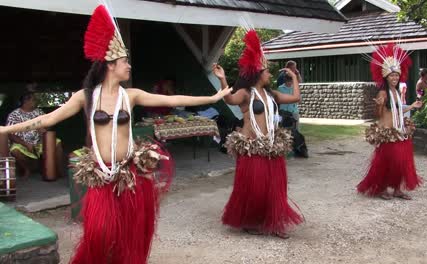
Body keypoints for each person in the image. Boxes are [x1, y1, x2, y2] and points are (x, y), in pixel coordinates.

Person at [0, 5, 231, 263]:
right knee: (99, 231)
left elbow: (174, 97)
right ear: (110, 65)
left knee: (129, 231)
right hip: (101, 174)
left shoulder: (130, 95)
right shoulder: (85, 97)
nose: (129, 66)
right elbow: (48, 118)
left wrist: (212, 96)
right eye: (125, 62)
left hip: (129, 173)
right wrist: (7, 129)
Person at [213, 29, 303, 239]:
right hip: (252, 146)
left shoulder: (272, 95)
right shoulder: (245, 93)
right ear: (258, 73)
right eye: (267, 71)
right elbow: (229, 100)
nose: (270, 74)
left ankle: (274, 222)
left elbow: (296, 97)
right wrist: (223, 79)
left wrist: (294, 76)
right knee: (255, 188)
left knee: (275, 188)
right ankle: (251, 220)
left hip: (271, 146)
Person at [357, 43, 423, 200]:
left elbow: (397, 111)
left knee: (401, 163)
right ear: (386, 77)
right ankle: (381, 189)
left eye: (396, 75)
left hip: (399, 131)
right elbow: (379, 114)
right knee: (387, 163)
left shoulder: (396, 91)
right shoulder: (383, 93)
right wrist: (379, 106)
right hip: (388, 133)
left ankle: (397, 189)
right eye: (392, 76)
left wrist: (412, 106)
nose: (395, 78)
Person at [6, 92, 64, 178]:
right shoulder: (14, 115)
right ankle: (27, 169)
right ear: (26, 101)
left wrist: (45, 130)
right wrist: (26, 144)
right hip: (23, 144)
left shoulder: (39, 112)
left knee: (57, 143)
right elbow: (11, 135)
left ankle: (58, 170)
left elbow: (49, 124)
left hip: (40, 142)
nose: (36, 101)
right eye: (33, 100)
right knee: (15, 151)